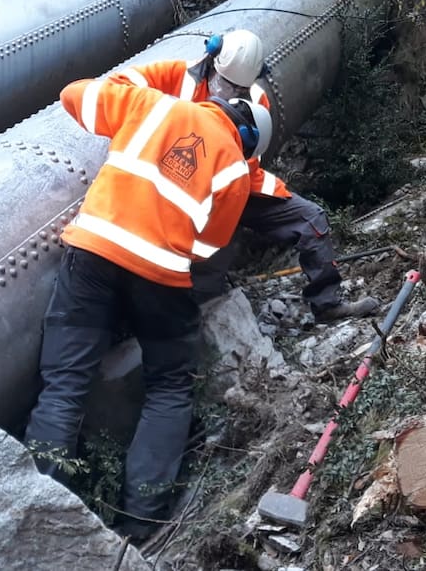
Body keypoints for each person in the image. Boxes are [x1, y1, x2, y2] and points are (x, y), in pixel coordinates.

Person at [24, 66, 267, 540]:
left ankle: (36, 517)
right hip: (161, 279)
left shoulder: (151, 103)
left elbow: (73, 94)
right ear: (246, 138)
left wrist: (138, 78)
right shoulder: (236, 168)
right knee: (170, 387)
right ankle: (138, 523)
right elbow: (209, 246)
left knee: (64, 386)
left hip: (92, 257)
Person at [114, 29, 380, 322]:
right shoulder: (176, 76)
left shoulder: (256, 99)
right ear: (212, 63)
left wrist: (226, 198)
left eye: (238, 89)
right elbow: (120, 85)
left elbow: (245, 164)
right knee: (202, 257)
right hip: (178, 182)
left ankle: (327, 304)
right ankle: (180, 315)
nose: (228, 93)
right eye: (224, 83)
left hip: (232, 185)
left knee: (310, 219)